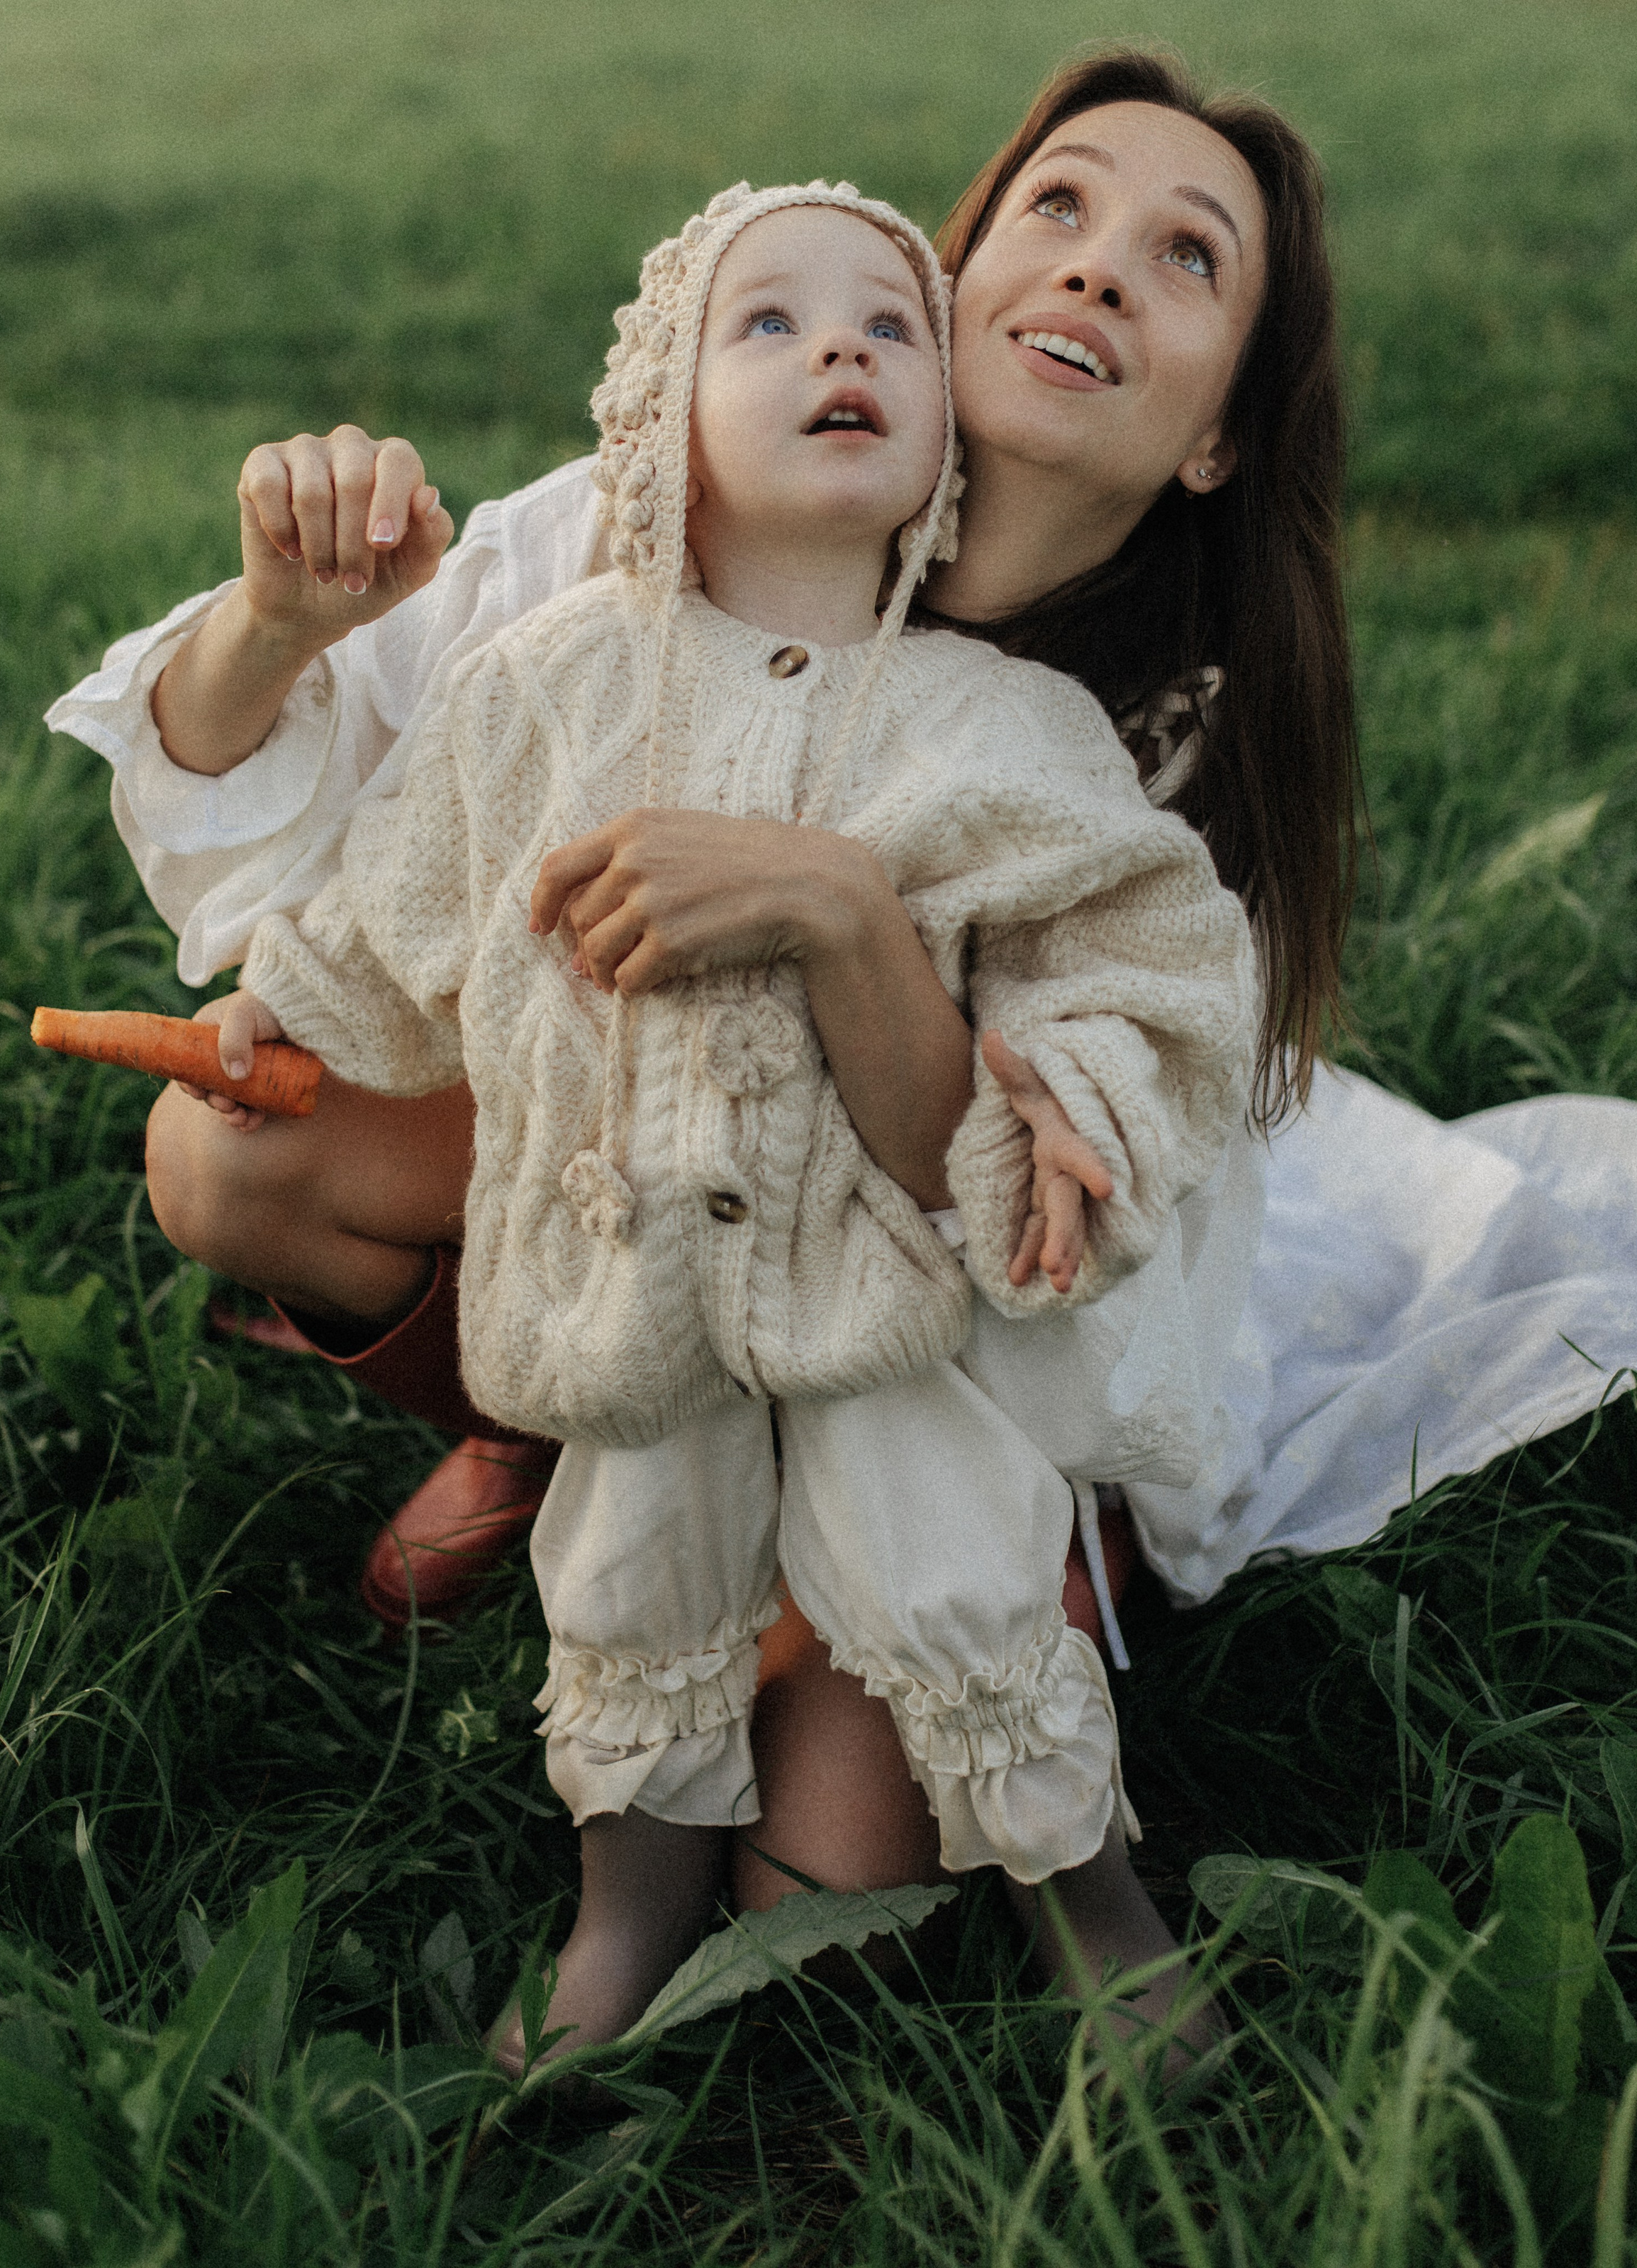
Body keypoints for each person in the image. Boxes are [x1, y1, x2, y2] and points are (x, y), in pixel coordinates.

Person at [45, 45, 1637, 2043]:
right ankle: (549, 1409)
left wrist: (838, 916)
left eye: (1185, 259)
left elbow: (1029, 1235)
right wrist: (281, 622)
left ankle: (972, 1653)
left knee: (829, 1880)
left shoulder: (1129, 753)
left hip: (939, 1326)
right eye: (1057, 211)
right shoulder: (674, 518)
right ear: (958, 262)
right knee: (231, 1146)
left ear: (1216, 440)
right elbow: (312, 847)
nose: (1094, 272)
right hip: (630, 1191)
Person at [218, 176, 1256, 2063]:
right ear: (663, 419)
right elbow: (403, 889)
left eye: (883, 326)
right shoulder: (547, 685)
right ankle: (622, 1924)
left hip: (888, 1305)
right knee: (629, 1585)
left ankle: (1095, 1908)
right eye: (766, 324)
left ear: (943, 429)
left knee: (955, 1581)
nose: (838, 349)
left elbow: (1146, 943)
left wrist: (1090, 1092)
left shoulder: (1000, 724)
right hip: (627, 1287)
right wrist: (290, 998)